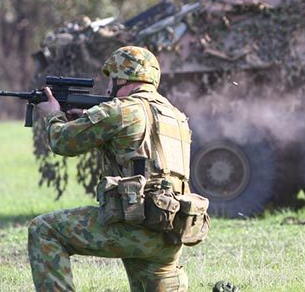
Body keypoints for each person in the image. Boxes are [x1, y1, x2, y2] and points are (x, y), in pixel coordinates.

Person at [29, 46, 194, 291]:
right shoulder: (175, 116)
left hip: (132, 227)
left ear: (123, 79)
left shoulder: (120, 109)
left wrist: (53, 115)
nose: (108, 88)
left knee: (44, 230)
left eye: (112, 79)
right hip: (170, 231)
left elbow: (63, 142)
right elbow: (140, 153)